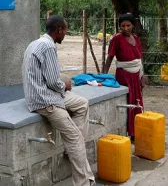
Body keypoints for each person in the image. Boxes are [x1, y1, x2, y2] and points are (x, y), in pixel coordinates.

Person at [22, 15, 95, 186]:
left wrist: (61, 86)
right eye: (65, 31)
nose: (65, 35)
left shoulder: (37, 43)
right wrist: (66, 86)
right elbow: (53, 82)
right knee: (75, 138)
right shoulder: (48, 47)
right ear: (59, 30)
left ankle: (72, 152)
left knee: (82, 104)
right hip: (45, 101)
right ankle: (84, 182)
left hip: (44, 94)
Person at [104, 13, 145, 140]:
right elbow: (110, 57)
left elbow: (139, 59)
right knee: (127, 103)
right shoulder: (117, 39)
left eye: (128, 25)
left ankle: (136, 131)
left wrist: (142, 76)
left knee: (137, 102)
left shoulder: (136, 38)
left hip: (136, 75)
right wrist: (103, 75)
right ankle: (127, 131)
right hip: (124, 75)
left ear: (133, 25)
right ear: (119, 26)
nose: (125, 28)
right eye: (123, 26)